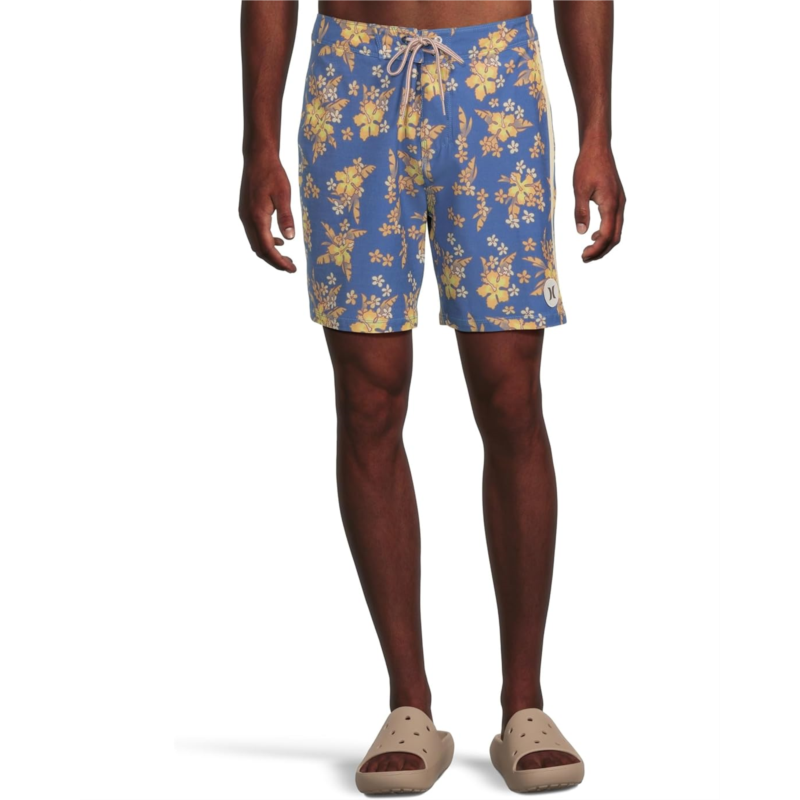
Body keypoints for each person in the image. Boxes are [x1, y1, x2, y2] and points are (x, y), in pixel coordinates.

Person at [239, 0, 625, 792]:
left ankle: (524, 703)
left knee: (511, 395)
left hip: (494, 75)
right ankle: (409, 704)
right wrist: (258, 142)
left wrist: (598, 133)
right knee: (368, 400)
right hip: (351, 78)